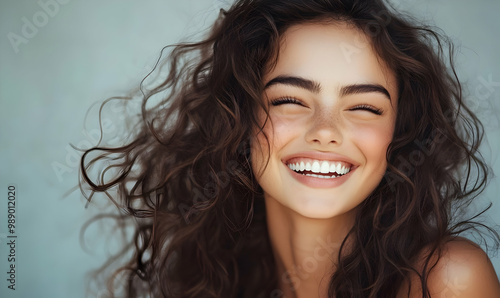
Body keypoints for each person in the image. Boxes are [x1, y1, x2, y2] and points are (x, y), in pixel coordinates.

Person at [80, 0, 500, 297]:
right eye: (290, 101)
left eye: (365, 107)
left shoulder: (445, 281)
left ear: (400, 135)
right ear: (238, 121)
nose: (325, 131)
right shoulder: (212, 282)